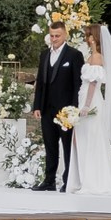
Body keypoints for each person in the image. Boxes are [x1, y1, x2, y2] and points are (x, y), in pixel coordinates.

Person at [71, 22, 111, 195]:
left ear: (93, 37)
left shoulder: (97, 57)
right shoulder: (93, 55)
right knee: (84, 139)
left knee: (92, 140)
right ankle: (86, 179)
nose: (85, 38)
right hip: (84, 98)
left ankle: (95, 181)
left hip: (91, 101)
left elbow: (93, 83)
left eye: (88, 35)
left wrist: (87, 106)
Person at [31, 21, 86, 192]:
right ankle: (49, 181)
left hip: (66, 110)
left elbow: (78, 84)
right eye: (52, 36)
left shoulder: (74, 55)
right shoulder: (44, 55)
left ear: (65, 35)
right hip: (47, 108)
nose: (54, 39)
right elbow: (40, 81)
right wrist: (37, 105)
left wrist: (74, 109)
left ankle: (68, 180)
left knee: (67, 145)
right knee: (50, 145)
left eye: (57, 36)